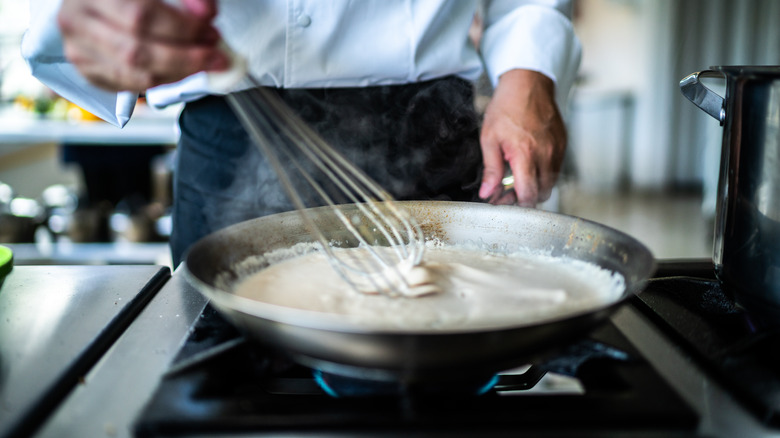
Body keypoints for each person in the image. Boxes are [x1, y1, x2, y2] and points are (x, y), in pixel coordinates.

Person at [23, 0, 581, 265]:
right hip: (235, 143)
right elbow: (78, 17)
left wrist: (530, 70)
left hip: (431, 137)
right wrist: (91, 22)